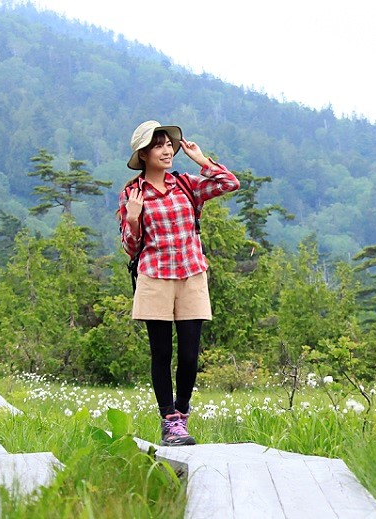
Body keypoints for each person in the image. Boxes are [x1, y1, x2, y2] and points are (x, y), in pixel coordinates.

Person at [118, 120, 240, 446]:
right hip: (154, 276)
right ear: (143, 154)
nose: (168, 149)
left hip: (191, 274)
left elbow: (230, 183)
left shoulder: (186, 184)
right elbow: (130, 247)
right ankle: (169, 420)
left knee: (188, 356)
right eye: (159, 145)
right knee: (161, 354)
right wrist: (132, 219)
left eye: (169, 144)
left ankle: (182, 415)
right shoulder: (133, 194)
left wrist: (202, 161)